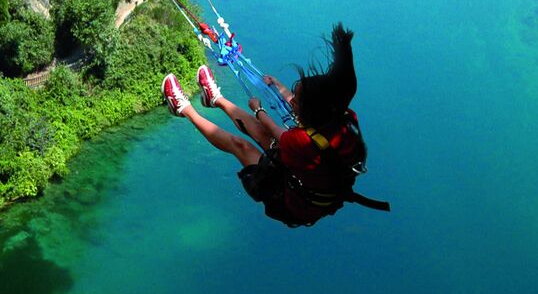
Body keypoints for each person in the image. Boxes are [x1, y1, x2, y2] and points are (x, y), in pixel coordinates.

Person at [161, 24, 389, 227]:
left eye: (296, 101)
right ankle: (216, 99)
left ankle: (182, 108)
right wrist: (278, 85)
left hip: (289, 201)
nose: (291, 101)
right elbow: (295, 107)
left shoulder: (300, 140)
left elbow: (272, 129)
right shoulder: (342, 117)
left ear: (310, 111)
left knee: (244, 146)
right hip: (308, 177)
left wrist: (258, 109)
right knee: (263, 135)